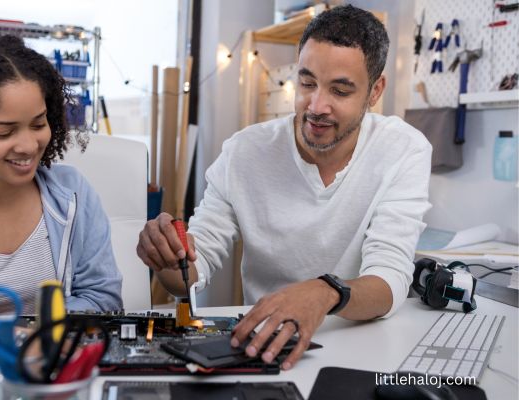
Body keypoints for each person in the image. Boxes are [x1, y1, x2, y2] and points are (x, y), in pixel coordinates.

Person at [137, 4, 432, 370]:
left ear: (375, 91)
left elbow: (390, 279)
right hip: (267, 346)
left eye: (340, 91)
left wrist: (325, 292)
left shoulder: (403, 149)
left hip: (363, 346)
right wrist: (168, 258)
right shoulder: (244, 152)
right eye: (307, 83)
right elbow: (189, 276)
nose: (316, 105)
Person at [0, 34, 122, 332]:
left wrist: (39, 337)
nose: (28, 146)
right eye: (3, 132)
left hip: (51, 364)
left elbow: (103, 298)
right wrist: (10, 341)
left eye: (39, 124)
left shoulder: (74, 195)